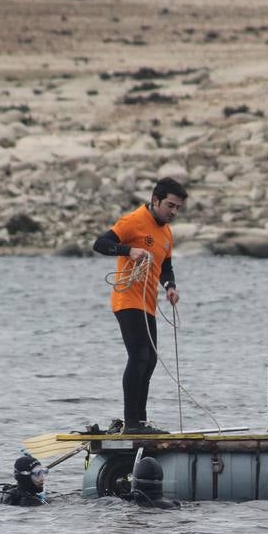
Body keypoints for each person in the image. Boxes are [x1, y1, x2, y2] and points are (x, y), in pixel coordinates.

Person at [92, 177, 187, 435]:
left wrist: (170, 287)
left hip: (147, 306)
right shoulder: (133, 221)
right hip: (127, 300)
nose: (174, 212)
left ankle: (140, 422)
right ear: (155, 200)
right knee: (139, 357)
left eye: (178, 207)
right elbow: (99, 244)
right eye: (170, 205)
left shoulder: (166, 232)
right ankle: (132, 422)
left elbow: (166, 266)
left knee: (151, 360)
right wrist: (128, 250)